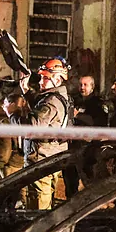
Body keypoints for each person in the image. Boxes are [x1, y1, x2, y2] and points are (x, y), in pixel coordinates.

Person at [27, 59, 72, 210]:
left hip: (42, 159)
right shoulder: (61, 96)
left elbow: (32, 127)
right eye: (41, 77)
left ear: (57, 79)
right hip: (53, 156)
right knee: (47, 200)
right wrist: (26, 92)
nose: (41, 81)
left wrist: (12, 114)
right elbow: (40, 110)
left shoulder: (51, 101)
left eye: (45, 78)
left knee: (38, 205)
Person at [64, 75, 109, 196]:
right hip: (73, 146)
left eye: (85, 85)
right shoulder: (75, 101)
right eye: (81, 85)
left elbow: (99, 123)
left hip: (88, 148)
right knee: (70, 179)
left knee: (90, 181)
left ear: (92, 87)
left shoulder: (97, 104)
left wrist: (78, 115)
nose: (82, 87)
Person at [0, 93, 30, 178]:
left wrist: (0, 164)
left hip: (13, 165)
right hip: (29, 161)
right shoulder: (29, 119)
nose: (3, 107)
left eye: (5, 104)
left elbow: (5, 147)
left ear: (12, 105)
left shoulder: (7, 124)